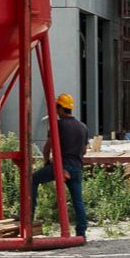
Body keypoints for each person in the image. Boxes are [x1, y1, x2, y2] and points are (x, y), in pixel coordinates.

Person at [32, 92, 89, 239]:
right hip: (76, 167)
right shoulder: (82, 127)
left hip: (61, 166)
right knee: (78, 201)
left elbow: (47, 147)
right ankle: (81, 234)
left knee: (33, 180)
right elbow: (84, 150)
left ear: (60, 108)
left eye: (57, 108)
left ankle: (28, 216)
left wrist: (46, 162)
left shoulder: (58, 125)